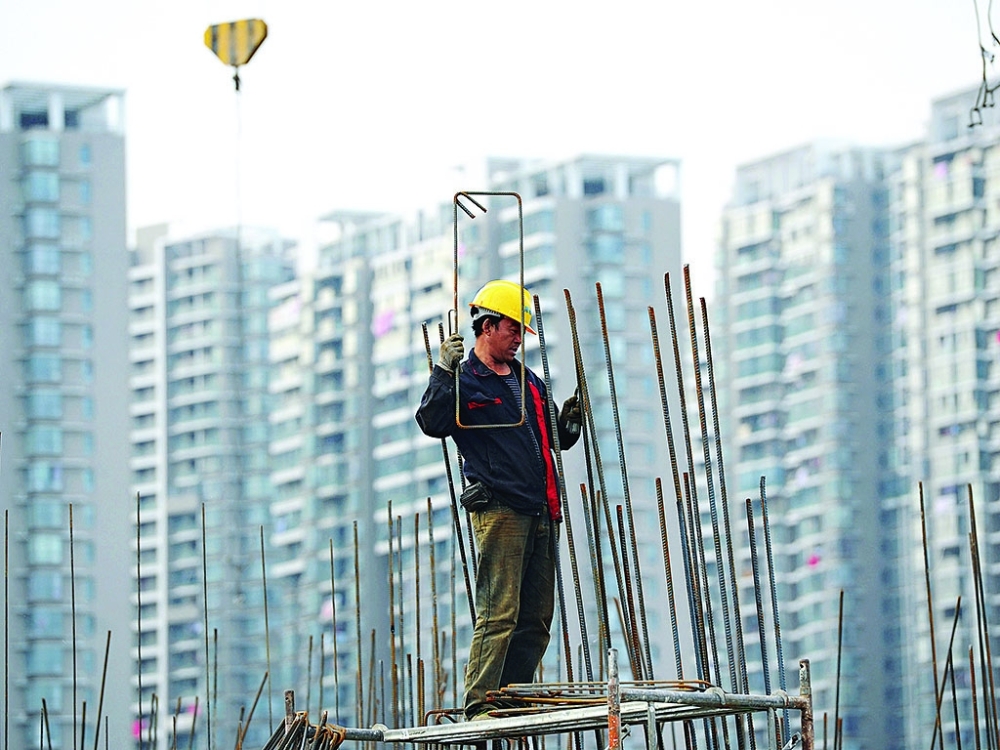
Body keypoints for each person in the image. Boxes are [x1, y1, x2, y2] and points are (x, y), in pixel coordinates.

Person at [415, 279, 582, 720]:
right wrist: (442, 373)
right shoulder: (465, 381)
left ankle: (510, 698)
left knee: (536, 620)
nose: (518, 338)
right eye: (512, 329)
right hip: (500, 509)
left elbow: (547, 441)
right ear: (487, 327)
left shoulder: (529, 382)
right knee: (499, 611)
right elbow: (431, 421)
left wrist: (567, 426)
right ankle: (479, 701)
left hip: (541, 508)